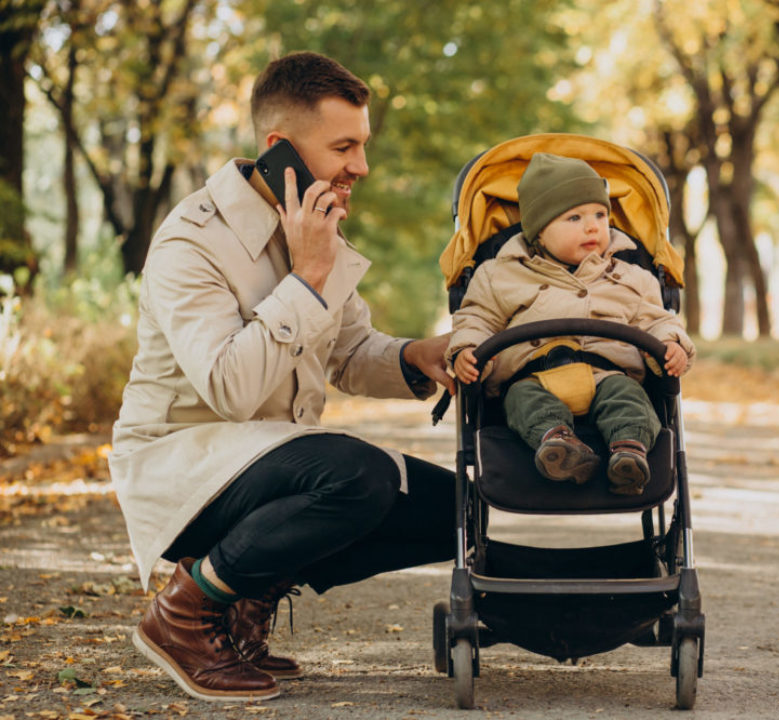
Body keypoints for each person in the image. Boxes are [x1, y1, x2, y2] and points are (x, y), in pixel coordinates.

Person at [108, 51, 456, 703]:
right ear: (280, 150)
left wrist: (418, 355)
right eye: (344, 147)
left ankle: (246, 598)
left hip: (271, 466)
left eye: (363, 145)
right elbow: (229, 388)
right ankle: (184, 613)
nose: (362, 167)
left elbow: (350, 353)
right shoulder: (192, 242)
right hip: (183, 473)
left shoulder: (310, 229)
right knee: (359, 475)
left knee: (461, 512)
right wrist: (307, 278)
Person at [448, 152, 694, 495]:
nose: (593, 225)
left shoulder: (631, 278)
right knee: (521, 399)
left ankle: (629, 452)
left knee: (629, 398)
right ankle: (558, 445)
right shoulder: (501, 274)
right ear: (538, 231)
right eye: (574, 217)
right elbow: (477, 317)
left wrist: (671, 345)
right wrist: (468, 350)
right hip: (533, 377)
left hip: (608, 374)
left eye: (600, 214)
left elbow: (656, 319)